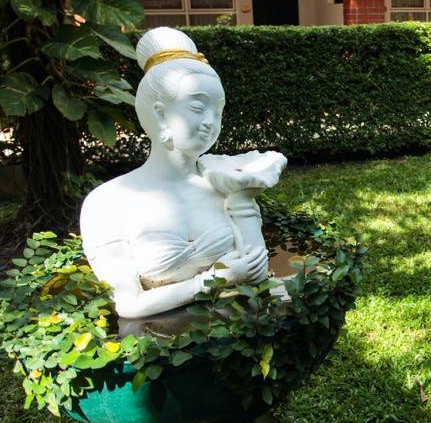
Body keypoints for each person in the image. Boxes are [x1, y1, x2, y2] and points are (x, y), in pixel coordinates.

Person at [80, 27, 286, 319]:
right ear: (161, 113)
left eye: (218, 111)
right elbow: (129, 305)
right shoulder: (107, 203)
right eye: (198, 107)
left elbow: (256, 272)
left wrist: (243, 197)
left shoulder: (218, 178)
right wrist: (220, 277)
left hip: (239, 329)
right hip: (160, 345)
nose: (210, 123)